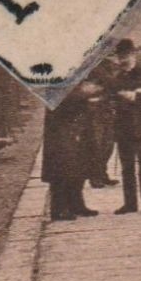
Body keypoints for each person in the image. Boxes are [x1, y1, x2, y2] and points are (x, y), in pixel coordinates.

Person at [108, 39, 141, 215]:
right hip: (124, 128)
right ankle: (130, 203)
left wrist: (133, 97)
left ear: (133, 55)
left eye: (126, 55)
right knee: (127, 167)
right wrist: (134, 95)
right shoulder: (118, 77)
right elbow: (114, 98)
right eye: (120, 56)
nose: (123, 59)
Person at [41, 80, 101, 221]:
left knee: (78, 167)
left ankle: (76, 204)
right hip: (61, 130)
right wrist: (85, 93)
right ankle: (59, 209)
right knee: (62, 169)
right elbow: (63, 98)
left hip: (75, 128)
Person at [86, 56, 120, 189]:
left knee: (108, 144)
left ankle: (102, 173)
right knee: (98, 144)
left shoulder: (107, 64)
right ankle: (95, 176)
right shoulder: (93, 66)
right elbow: (110, 82)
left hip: (107, 110)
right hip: (94, 112)